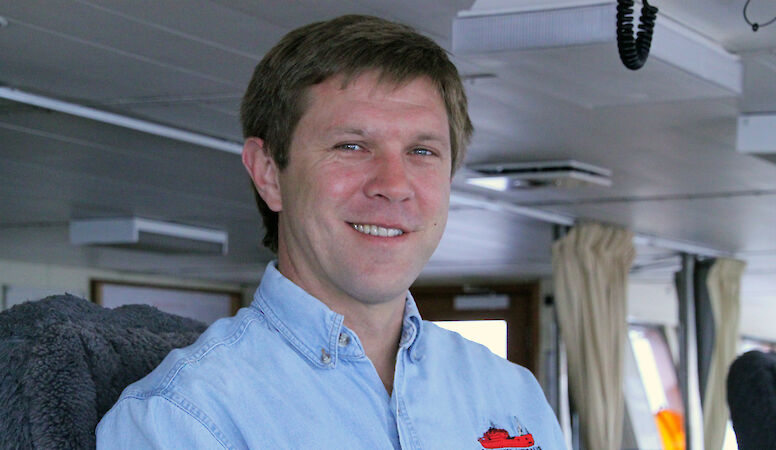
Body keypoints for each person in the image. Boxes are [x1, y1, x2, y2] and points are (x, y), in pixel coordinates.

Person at [97, 14, 566, 449]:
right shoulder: (184, 417)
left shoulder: (512, 396)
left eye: (422, 152)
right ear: (268, 174)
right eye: (352, 145)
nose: (393, 185)